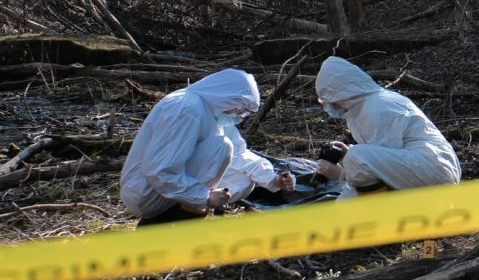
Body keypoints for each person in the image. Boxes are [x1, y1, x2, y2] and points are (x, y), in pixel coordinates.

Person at [120, 68, 295, 226]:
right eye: (239, 110)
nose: (238, 116)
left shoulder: (207, 112)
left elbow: (239, 155)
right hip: (144, 192)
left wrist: (273, 178)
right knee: (221, 148)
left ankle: (179, 218)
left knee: (242, 179)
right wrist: (203, 196)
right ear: (227, 97)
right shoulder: (186, 109)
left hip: (159, 189)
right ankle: (169, 227)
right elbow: (159, 170)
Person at [314, 56, 461, 197]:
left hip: (435, 170)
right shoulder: (365, 106)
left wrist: (341, 173)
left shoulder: (376, 108)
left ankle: (390, 213)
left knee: (355, 157)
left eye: (330, 99)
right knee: (344, 205)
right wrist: (346, 152)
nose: (331, 105)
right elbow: (385, 157)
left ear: (340, 93)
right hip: (425, 167)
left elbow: (379, 169)